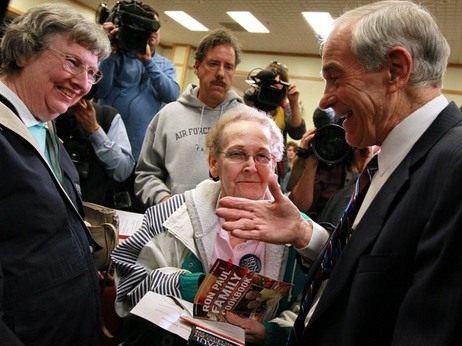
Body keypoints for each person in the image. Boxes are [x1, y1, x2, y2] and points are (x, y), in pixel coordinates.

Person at [216, 1, 462, 345]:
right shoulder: (392, 160)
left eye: (334, 78)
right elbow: (374, 274)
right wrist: (305, 234)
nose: (325, 101)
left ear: (395, 69)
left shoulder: (454, 166)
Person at [111, 106, 309, 345]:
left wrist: (272, 333)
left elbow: (315, 307)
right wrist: (183, 285)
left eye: (262, 156)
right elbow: (127, 284)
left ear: (275, 164)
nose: (250, 166)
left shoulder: (300, 231)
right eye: (237, 154)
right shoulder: (170, 214)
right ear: (214, 163)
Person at [0, 3, 110, 345]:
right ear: (24, 53)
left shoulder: (46, 127)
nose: (82, 83)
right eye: (73, 62)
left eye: (92, 72)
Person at [135, 28, 244, 207]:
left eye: (228, 67)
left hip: (228, 225)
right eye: (214, 64)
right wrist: (163, 201)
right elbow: (146, 174)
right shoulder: (168, 115)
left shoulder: (245, 121)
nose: (220, 73)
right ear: (197, 67)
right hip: (173, 221)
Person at [95, 3, 180, 161]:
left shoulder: (165, 65)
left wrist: (148, 62)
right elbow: (99, 91)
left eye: (155, 27)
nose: (153, 32)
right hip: (105, 140)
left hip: (141, 149)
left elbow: (172, 95)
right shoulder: (115, 56)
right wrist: (110, 50)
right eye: (147, 27)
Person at [56, 96, 136, 208]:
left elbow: (123, 171)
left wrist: (95, 130)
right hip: (58, 204)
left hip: (96, 209)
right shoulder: (50, 115)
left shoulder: (106, 115)